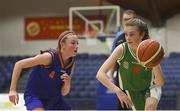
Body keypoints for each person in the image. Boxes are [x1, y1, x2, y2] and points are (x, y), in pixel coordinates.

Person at [96, 18, 165, 110]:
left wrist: (154, 61)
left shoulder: (151, 49)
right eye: (126, 34)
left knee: (150, 107)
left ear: (142, 34)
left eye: (132, 34)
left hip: (150, 87)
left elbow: (160, 82)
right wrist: (118, 91)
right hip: (131, 91)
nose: (128, 37)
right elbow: (100, 74)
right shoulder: (121, 49)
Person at [9, 30, 79, 110]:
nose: (76, 46)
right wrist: (12, 90)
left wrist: (67, 83)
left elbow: (63, 93)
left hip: (55, 99)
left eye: (77, 43)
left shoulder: (71, 64)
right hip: (35, 96)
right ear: (62, 44)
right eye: (73, 43)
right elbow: (19, 64)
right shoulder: (48, 57)